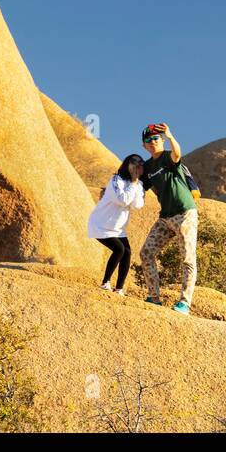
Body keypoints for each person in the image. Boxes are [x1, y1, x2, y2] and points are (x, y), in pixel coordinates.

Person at [138, 122, 198, 314]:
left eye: (156, 138)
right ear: (144, 146)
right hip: (165, 218)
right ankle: (154, 298)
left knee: (188, 258)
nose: (153, 142)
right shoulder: (147, 168)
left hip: (184, 213)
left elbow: (177, 154)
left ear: (162, 141)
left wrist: (171, 136)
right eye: (148, 140)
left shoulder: (167, 156)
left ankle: (185, 303)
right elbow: (139, 186)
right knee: (146, 253)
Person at [87, 154, 145, 294]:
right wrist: (132, 183)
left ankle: (119, 289)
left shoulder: (138, 184)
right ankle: (105, 282)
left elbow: (137, 205)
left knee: (127, 252)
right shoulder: (116, 180)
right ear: (127, 165)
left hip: (117, 228)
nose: (137, 169)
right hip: (100, 225)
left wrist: (135, 183)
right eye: (135, 166)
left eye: (139, 166)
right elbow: (123, 200)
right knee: (119, 249)